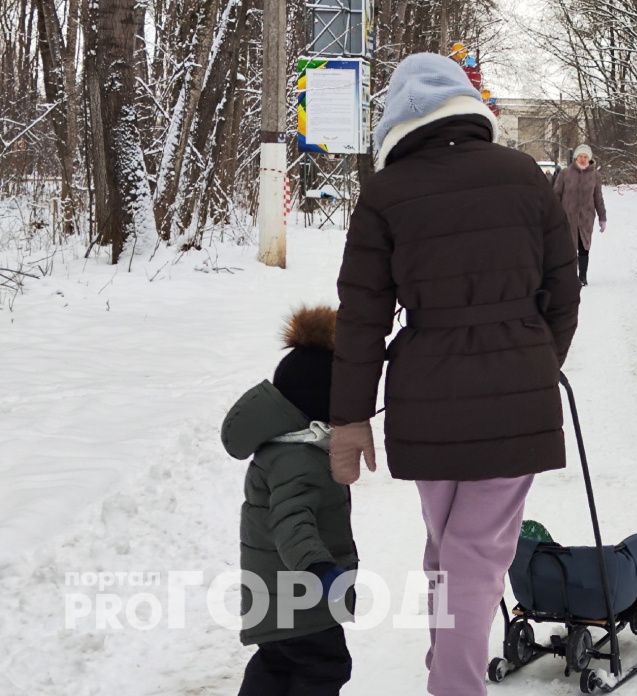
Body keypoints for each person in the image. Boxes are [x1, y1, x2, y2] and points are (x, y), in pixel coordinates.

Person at [327, 53, 581, 696]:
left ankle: (447, 669)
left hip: (426, 394)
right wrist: (537, 360)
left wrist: (350, 415)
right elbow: (563, 287)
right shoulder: (525, 175)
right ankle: (454, 684)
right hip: (515, 393)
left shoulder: (386, 193)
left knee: (449, 546)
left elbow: (362, 316)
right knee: (472, 552)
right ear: (467, 105)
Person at [221, 305, 358, 696]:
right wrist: (317, 566)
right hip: (303, 597)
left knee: (276, 664)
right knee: (325, 666)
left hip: (277, 597)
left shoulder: (286, 447)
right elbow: (290, 518)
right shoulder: (298, 458)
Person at [553, 144, 607, 286]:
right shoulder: (565, 173)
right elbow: (555, 195)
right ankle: (570, 277)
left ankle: (582, 277)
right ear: (576, 157)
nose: (583, 159)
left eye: (586, 157)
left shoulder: (595, 175)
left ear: (589, 159)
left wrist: (602, 217)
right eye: (580, 156)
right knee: (568, 249)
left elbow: (598, 198)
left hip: (586, 218)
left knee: (584, 248)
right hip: (567, 218)